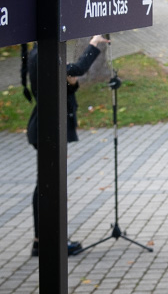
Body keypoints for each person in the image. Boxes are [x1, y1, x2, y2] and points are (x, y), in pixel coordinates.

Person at [26, 34, 110, 257]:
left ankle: (42, 240)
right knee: (48, 186)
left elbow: (66, 84)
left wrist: (71, 82)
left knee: (46, 184)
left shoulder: (41, 55)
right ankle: (48, 241)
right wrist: (93, 45)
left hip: (49, 127)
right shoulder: (42, 55)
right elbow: (78, 68)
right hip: (46, 129)